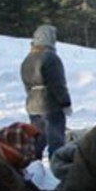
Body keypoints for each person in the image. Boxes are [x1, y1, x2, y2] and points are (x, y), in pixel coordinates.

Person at [20, 24, 72, 157]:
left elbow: (27, 85)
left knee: (37, 139)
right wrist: (65, 103)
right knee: (56, 141)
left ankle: (34, 166)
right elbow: (58, 83)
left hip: (32, 104)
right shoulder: (51, 58)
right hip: (50, 105)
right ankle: (56, 168)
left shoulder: (27, 59)